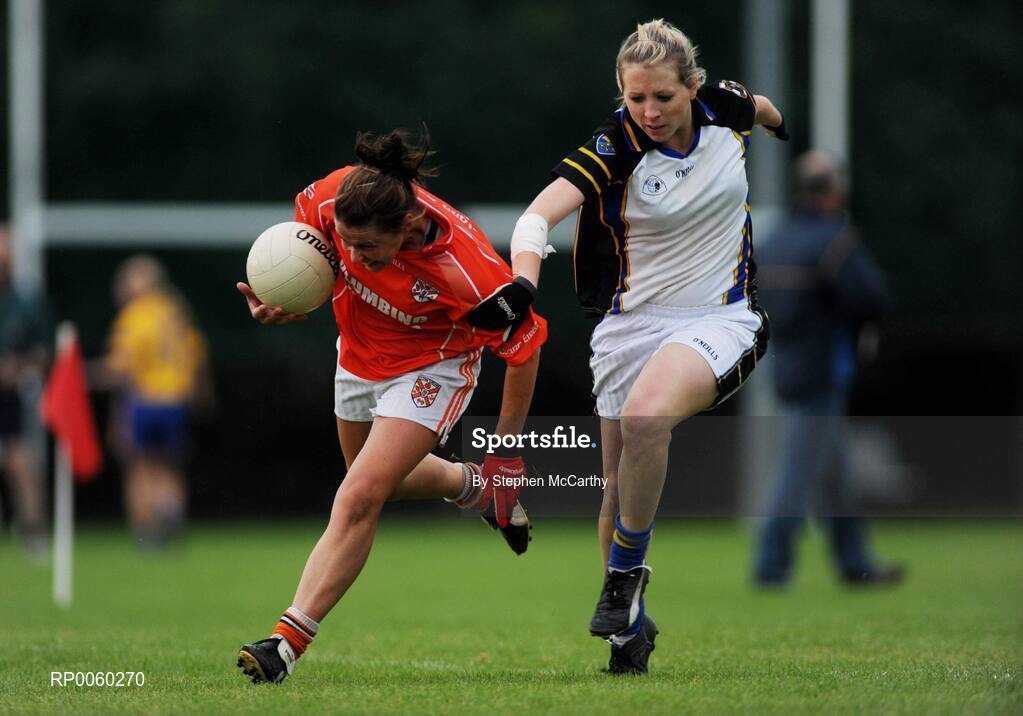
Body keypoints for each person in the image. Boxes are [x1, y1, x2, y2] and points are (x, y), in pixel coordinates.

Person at [472, 19, 788, 674]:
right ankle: (628, 636)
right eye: (634, 98)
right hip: (625, 328)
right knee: (615, 486)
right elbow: (535, 218)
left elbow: (759, 110)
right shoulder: (612, 146)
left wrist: (776, 124)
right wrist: (523, 282)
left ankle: (622, 578)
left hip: (719, 316)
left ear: (691, 89)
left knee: (646, 420)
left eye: (662, 98)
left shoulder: (722, 107)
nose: (647, 112)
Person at [234, 128, 547, 685]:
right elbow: (306, 248)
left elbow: (524, 351)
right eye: (347, 244)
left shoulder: (468, 271)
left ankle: (285, 643)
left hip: (433, 368)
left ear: (406, 225)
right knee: (369, 480)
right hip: (356, 354)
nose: (353, 257)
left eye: (367, 250)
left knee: (358, 496)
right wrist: (280, 299)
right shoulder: (335, 198)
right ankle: (472, 486)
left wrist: (507, 451)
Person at [753, 150, 904, 587]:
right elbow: (873, 297)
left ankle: (854, 563)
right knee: (797, 473)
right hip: (823, 369)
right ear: (835, 190)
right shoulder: (835, 240)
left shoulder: (773, 239)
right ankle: (771, 564)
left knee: (834, 471)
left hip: (782, 365)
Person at [104, 255, 212, 549]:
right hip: (175, 402)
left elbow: (121, 369)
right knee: (169, 468)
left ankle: (146, 533)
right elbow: (197, 359)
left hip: (143, 401)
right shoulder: (176, 314)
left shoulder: (134, 316)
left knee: (140, 468)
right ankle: (171, 516)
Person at [0, 225, 50, 556]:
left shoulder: (25, 300)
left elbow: (43, 351)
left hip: (10, 396)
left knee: (20, 461)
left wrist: (17, 368)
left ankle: (32, 529)